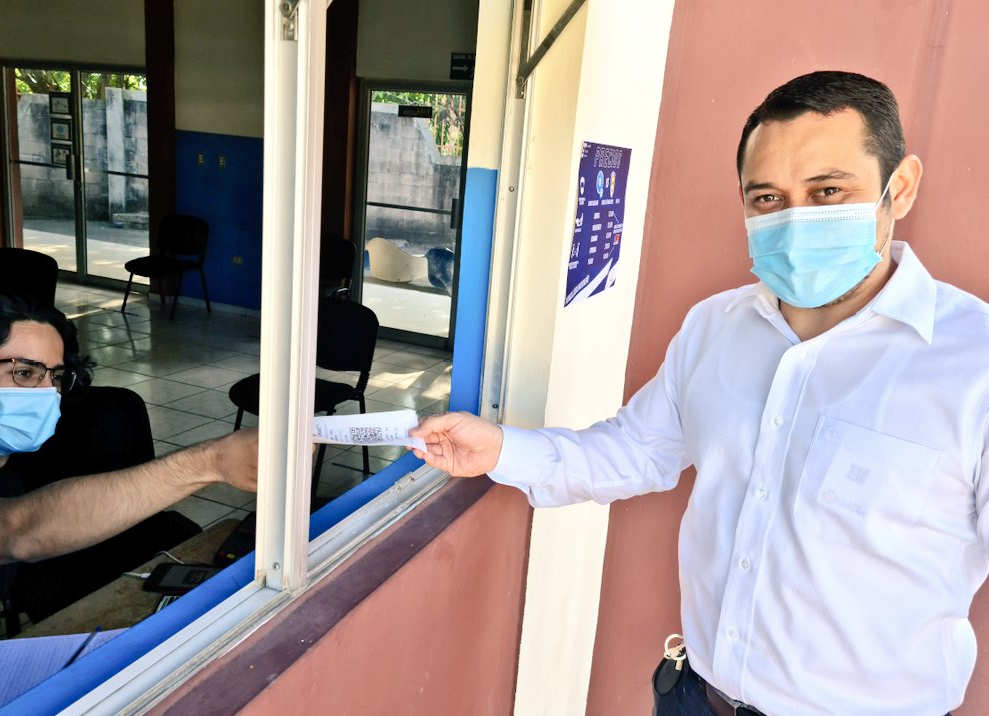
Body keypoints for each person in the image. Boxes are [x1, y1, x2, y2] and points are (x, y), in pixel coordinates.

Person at [410, 70, 986, 716]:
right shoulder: (716, 327)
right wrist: (501, 450)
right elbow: (635, 450)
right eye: (767, 198)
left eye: (828, 191)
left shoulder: (973, 367)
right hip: (696, 698)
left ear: (899, 187)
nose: (796, 219)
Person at [0, 292, 258, 642]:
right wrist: (213, 461)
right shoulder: (4, 508)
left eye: (55, 377)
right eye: (25, 373)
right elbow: (18, 530)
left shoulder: (7, 484)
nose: (47, 394)